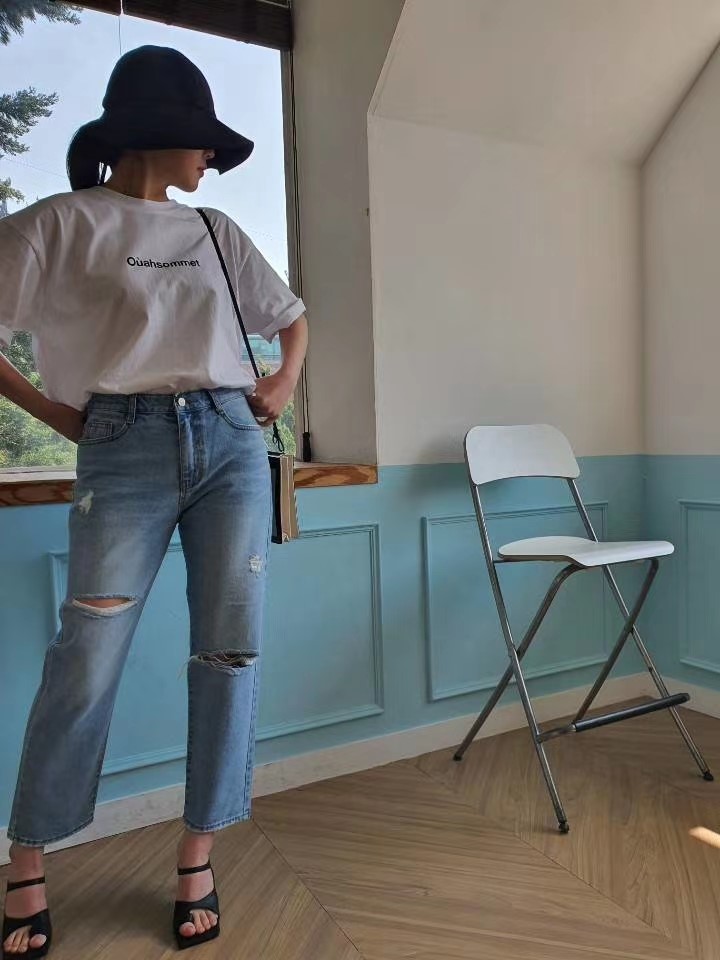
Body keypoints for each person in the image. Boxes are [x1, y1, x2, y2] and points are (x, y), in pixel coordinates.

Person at [0, 45, 308, 957]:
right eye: (203, 140)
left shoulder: (215, 229)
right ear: (157, 132)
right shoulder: (57, 224)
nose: (211, 157)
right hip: (121, 446)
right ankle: (27, 859)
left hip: (230, 442)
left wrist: (282, 382)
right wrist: (58, 414)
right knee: (85, 654)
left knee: (228, 652)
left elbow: (291, 318)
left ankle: (197, 858)